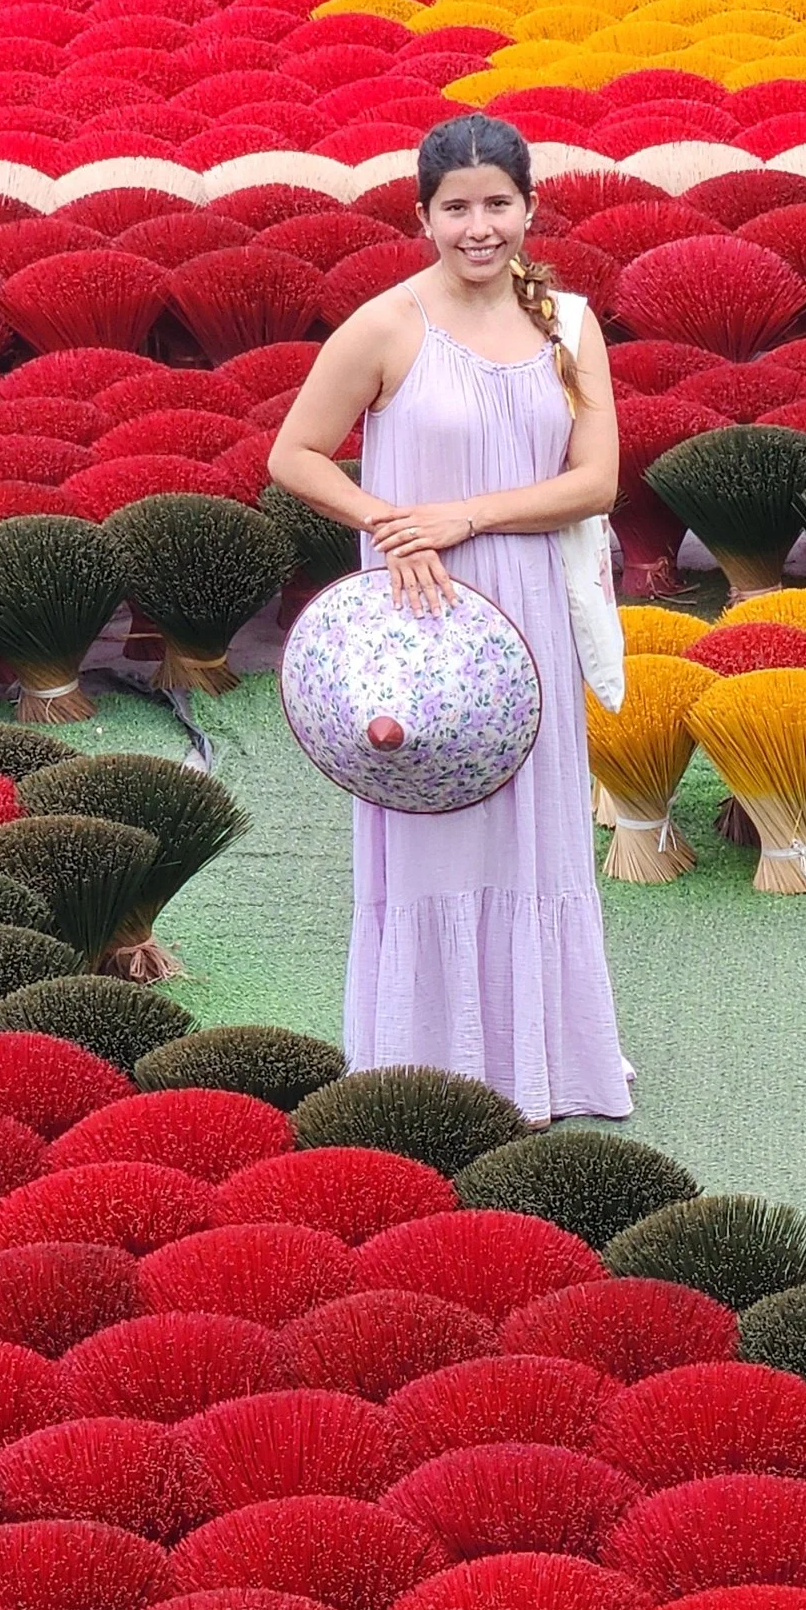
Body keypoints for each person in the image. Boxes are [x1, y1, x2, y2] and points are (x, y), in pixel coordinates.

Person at [268, 111, 630, 1125]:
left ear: (529, 207)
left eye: (497, 205)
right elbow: (293, 455)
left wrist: (465, 515)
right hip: (417, 617)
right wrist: (387, 521)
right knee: (429, 826)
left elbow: (595, 481)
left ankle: (542, 1067)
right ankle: (423, 1072)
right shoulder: (385, 326)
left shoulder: (569, 322)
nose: (479, 226)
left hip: (527, 616)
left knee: (533, 834)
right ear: (422, 215)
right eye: (456, 208)